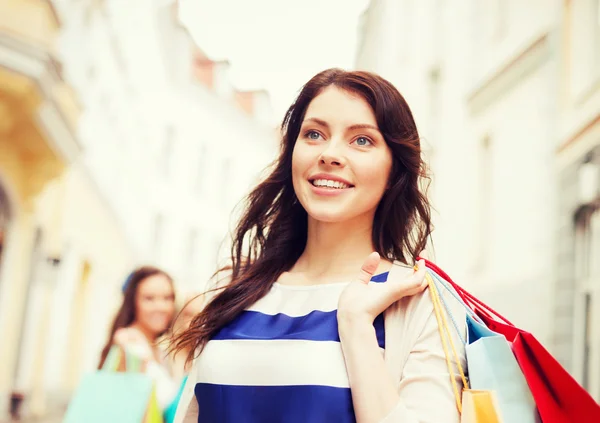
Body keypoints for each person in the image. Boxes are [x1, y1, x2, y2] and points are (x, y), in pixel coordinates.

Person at [172, 69, 467, 423]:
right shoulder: (238, 290)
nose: (330, 154)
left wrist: (356, 325)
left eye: (361, 140)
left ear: (394, 170)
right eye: (314, 134)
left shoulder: (418, 301)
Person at [98, 265, 180, 413]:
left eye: (167, 298)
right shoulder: (128, 342)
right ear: (133, 303)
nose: (160, 306)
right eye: (149, 298)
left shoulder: (160, 351)